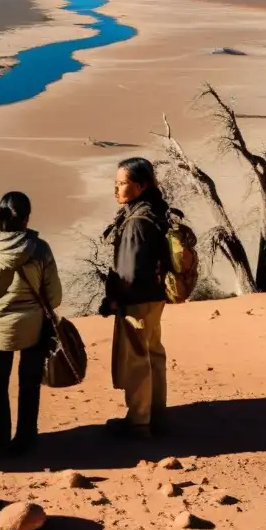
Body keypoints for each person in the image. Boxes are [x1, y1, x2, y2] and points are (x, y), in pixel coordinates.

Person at [0, 192, 62, 456]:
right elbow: (54, 297)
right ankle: (26, 437)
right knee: (29, 380)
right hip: (33, 326)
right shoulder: (40, 249)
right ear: (27, 218)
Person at [102, 157, 169, 440]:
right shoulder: (155, 210)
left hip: (137, 301)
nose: (115, 189)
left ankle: (139, 423)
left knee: (138, 360)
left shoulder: (137, 222)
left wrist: (115, 300)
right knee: (153, 355)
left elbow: (128, 271)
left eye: (121, 183)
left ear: (139, 186)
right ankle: (156, 416)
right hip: (154, 297)